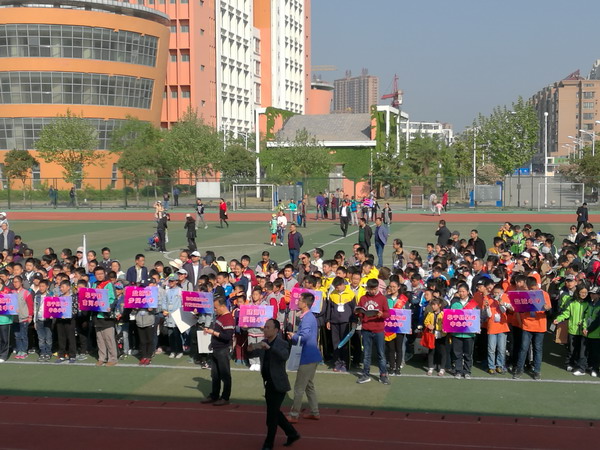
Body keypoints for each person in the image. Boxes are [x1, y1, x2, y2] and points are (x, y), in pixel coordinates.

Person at [249, 318, 300, 450]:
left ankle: (268, 443)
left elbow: (284, 356)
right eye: (265, 327)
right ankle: (292, 433)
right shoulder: (263, 342)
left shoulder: (281, 343)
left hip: (279, 383)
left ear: (276, 330)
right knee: (275, 413)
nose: (265, 329)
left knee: (271, 417)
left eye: (268, 327)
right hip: (268, 383)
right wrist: (250, 348)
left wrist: (270, 348)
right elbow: (251, 353)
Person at [286, 292, 321, 423]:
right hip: (312, 356)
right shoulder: (309, 317)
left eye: (300, 300)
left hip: (307, 356)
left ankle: (294, 414)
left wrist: (294, 336)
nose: (297, 302)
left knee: (299, 387)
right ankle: (314, 411)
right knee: (309, 385)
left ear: (305, 304)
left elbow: (304, 336)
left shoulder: (307, 318)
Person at [356, 278, 391, 385]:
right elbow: (360, 313)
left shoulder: (382, 298)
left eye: (374, 289)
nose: (372, 291)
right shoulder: (363, 298)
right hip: (366, 329)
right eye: (370, 289)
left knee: (381, 354)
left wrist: (382, 314)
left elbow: (388, 313)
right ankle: (365, 374)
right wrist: (358, 313)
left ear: (377, 288)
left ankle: (383, 375)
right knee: (366, 354)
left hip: (379, 330)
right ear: (367, 288)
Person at [202, 296, 235, 406]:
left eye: (216, 308)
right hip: (216, 348)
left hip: (223, 349)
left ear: (222, 306)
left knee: (225, 375)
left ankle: (225, 397)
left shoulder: (228, 318)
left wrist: (213, 333)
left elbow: (227, 336)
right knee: (215, 375)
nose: (215, 310)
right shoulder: (220, 317)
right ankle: (214, 395)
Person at [92, 267, 118, 366]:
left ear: (105, 273)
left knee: (109, 338)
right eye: (97, 274)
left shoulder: (109, 284)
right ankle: (102, 357)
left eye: (101, 273)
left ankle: (113, 358)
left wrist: (110, 307)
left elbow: (114, 299)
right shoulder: (94, 284)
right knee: (100, 338)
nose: (99, 275)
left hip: (106, 316)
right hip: (97, 315)